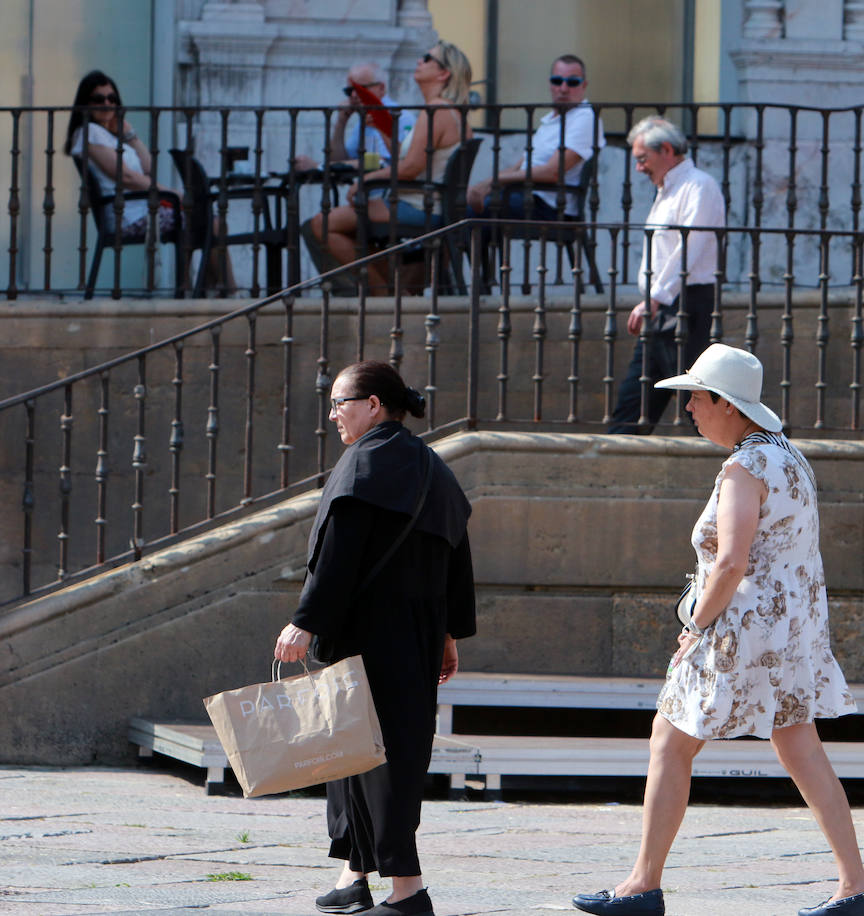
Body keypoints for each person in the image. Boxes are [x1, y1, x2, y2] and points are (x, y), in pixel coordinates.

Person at [573, 344, 864, 916]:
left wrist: (695, 621)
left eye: (695, 396)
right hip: (792, 631)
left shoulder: (744, 467)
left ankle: (642, 885)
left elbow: (731, 562)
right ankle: (856, 886)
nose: (688, 406)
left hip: (743, 630)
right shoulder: (789, 457)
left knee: (669, 741)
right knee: (801, 748)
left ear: (727, 405)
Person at [273, 360, 476, 916]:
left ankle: (408, 891)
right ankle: (353, 873)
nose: (333, 414)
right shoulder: (434, 467)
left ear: (374, 406)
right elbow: (457, 557)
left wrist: (305, 620)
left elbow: (337, 556)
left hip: (366, 632)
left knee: (376, 758)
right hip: (414, 634)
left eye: (341, 402)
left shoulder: (363, 463)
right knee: (362, 752)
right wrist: (449, 635)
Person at [304, 41, 474, 292]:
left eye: (427, 58)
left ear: (443, 73)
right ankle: (397, 285)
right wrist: (383, 132)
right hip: (427, 202)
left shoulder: (436, 111)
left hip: (418, 206)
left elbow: (409, 169)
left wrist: (366, 181)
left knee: (322, 224)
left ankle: (383, 291)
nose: (419, 61)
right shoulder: (447, 111)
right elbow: (407, 159)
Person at [606, 116, 725, 434]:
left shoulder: (699, 186)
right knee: (636, 400)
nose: (639, 168)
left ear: (668, 150)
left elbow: (690, 248)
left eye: (642, 159)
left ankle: (743, 456)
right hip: (661, 306)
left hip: (685, 303)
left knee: (698, 399)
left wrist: (655, 298)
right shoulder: (669, 190)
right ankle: (618, 451)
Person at [464, 54, 605, 221]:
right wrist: (483, 187)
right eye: (557, 81)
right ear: (550, 84)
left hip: (551, 206)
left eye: (573, 82)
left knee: (474, 212)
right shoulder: (550, 120)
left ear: (584, 85)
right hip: (527, 196)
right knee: (462, 206)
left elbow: (553, 172)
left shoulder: (585, 117)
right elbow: (519, 167)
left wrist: (494, 181)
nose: (564, 88)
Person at [65, 70, 179, 242]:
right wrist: (171, 194)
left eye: (112, 98)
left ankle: (195, 270)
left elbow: (148, 168)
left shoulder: (108, 136)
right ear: (85, 103)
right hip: (128, 218)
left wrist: (129, 134)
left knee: (207, 224)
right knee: (206, 222)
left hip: (142, 212)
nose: (106, 103)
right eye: (98, 99)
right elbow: (125, 177)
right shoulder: (90, 133)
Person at [291, 61, 419, 172]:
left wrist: (319, 166)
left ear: (381, 88)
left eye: (360, 89)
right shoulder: (364, 118)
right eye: (349, 91)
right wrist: (341, 122)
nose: (353, 95)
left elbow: (382, 162)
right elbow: (340, 160)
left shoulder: (400, 116)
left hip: (387, 195)